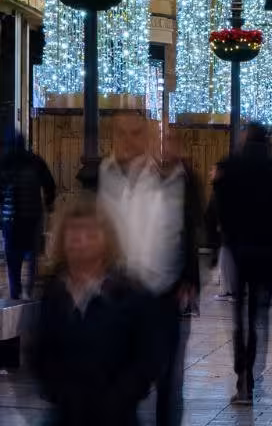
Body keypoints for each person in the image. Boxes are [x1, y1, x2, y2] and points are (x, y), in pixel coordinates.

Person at [96, 111, 203, 426]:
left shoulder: (169, 176)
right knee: (121, 382)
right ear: (112, 137)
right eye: (122, 133)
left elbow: (185, 228)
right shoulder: (102, 174)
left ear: (147, 137)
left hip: (163, 295)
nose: (129, 141)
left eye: (136, 133)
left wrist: (188, 278)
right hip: (118, 294)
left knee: (168, 382)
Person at [30, 195, 157, 426]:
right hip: (67, 413)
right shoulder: (54, 291)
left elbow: (146, 358)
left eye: (91, 234)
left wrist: (120, 397)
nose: (82, 242)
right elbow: (40, 350)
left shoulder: (128, 293)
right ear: (62, 240)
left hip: (116, 416)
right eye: (74, 234)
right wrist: (58, 391)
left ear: (106, 240)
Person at [212, 122, 272, 407]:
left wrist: (218, 243)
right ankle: (252, 374)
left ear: (245, 139)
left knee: (238, 311)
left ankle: (242, 377)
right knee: (258, 315)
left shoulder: (230, 166)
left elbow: (217, 207)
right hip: (268, 249)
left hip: (238, 248)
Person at [0, 128, 55, 300]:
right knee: (31, 257)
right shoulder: (34, 160)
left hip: (12, 219)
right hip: (32, 217)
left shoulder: (5, 162)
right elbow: (49, 183)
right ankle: (28, 292)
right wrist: (49, 202)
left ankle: (16, 293)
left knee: (13, 259)